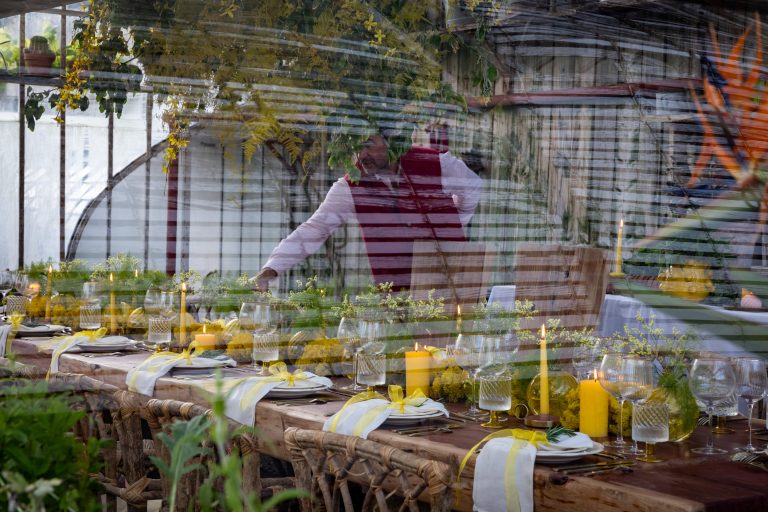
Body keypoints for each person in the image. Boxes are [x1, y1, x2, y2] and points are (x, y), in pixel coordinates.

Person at [254, 122, 482, 292]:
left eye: (368, 146)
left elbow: (472, 187)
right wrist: (271, 270)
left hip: (452, 282)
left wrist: (455, 223)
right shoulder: (350, 185)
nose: (361, 155)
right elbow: (315, 228)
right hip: (396, 297)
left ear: (391, 142)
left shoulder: (436, 163)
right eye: (356, 148)